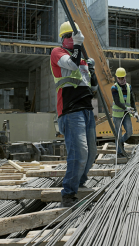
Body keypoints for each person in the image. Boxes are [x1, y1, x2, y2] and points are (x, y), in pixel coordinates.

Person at [51, 21, 98, 208]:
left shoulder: (82, 59)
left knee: (91, 152)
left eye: (74, 35)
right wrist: (78, 46)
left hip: (86, 110)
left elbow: (92, 86)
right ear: (62, 38)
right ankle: (68, 194)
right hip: (70, 111)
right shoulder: (57, 52)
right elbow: (71, 65)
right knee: (79, 152)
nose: (72, 38)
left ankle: (79, 183)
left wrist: (92, 71)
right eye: (68, 36)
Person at [110, 67, 138, 158]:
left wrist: (136, 112)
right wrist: (126, 108)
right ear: (117, 78)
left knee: (129, 131)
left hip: (126, 114)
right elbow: (117, 101)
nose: (121, 80)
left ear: (125, 77)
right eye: (119, 78)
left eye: (123, 78)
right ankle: (119, 153)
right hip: (117, 114)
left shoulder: (129, 87)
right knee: (118, 133)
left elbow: (132, 100)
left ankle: (120, 142)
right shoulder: (114, 88)